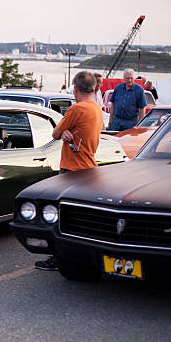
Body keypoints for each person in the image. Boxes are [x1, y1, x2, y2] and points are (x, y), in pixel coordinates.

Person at [34, 71, 103, 271]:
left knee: (60, 217)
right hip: (89, 167)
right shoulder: (96, 110)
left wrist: (63, 131)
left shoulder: (76, 109)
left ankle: (58, 258)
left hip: (71, 169)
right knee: (82, 217)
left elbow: (55, 133)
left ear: (75, 88)